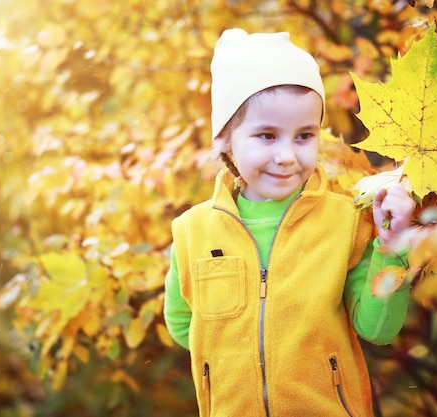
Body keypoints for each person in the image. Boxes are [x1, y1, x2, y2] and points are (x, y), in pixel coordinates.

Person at [163, 28, 417, 417]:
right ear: (227, 139)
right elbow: (183, 324)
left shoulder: (344, 222)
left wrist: (392, 247)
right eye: (266, 135)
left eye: (303, 136)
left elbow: (377, 328)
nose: (286, 156)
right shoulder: (193, 232)